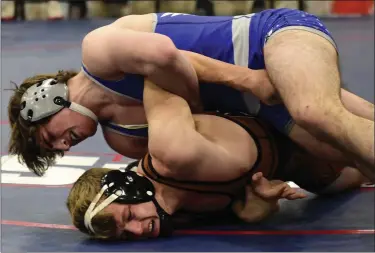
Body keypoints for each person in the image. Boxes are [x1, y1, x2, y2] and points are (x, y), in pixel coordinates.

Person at [8, 8, 374, 180]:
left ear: (47, 99)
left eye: (49, 138)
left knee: (316, 112)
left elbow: (163, 55)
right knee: (343, 155)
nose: (61, 147)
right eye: (54, 151)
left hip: (267, 38)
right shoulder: (123, 138)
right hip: (257, 108)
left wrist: (247, 80)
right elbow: (198, 146)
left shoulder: (98, 52)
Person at [66, 80, 369, 240]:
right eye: (124, 237)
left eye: (128, 219)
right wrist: (259, 208)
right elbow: (255, 208)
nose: (136, 232)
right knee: (351, 179)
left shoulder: (171, 151)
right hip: (302, 168)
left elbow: (159, 77)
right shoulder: (177, 215)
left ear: (128, 185)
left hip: (290, 113)